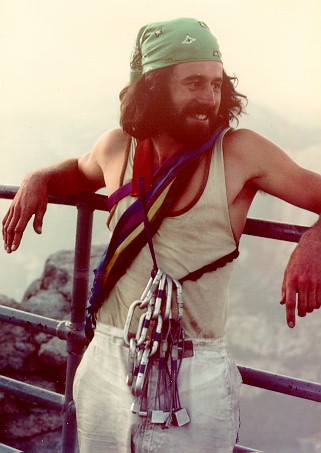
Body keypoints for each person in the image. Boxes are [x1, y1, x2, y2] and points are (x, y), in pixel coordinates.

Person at [2, 17, 321, 452]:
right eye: (193, 84)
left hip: (194, 372)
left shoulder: (240, 151)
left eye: (215, 84)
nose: (209, 99)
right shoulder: (117, 147)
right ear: (152, 86)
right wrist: (39, 176)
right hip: (107, 362)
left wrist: (313, 242)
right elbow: (76, 173)